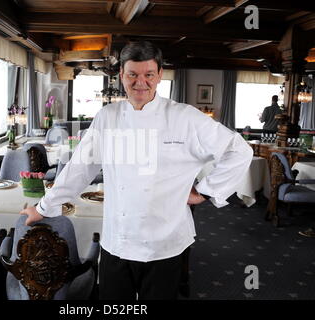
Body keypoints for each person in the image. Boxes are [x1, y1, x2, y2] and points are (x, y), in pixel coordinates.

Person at [20, 41, 253, 300]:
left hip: (166, 243)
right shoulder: (107, 116)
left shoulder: (185, 117)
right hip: (117, 240)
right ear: (121, 75)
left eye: (148, 75)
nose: (140, 82)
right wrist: (43, 207)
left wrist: (206, 192)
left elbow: (240, 151)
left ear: (159, 75)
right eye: (132, 74)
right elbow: (79, 169)